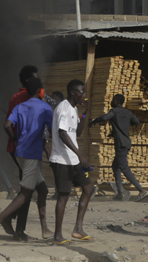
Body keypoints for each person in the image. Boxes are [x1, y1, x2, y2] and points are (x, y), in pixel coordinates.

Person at [0, 77, 52, 243]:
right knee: (26, 192)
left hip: (19, 152)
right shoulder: (45, 107)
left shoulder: (20, 106)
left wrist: (15, 139)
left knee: (42, 190)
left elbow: (7, 125)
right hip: (32, 154)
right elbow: (52, 130)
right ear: (39, 91)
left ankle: (44, 229)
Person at [1, 65, 45, 237]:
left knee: (29, 186)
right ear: (29, 80)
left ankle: (14, 224)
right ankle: (14, 225)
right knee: (28, 188)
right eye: (36, 77)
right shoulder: (29, 97)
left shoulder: (16, 96)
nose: (39, 80)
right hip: (26, 149)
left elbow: (8, 123)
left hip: (18, 147)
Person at [50, 79, 94, 245]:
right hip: (62, 159)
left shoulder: (74, 109)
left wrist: (85, 113)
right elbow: (62, 133)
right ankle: (58, 235)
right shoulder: (63, 107)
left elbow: (78, 132)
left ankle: (78, 229)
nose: (84, 95)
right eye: (81, 92)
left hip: (73, 159)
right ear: (73, 93)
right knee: (64, 196)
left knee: (89, 188)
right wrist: (81, 155)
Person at [90, 94, 147, 202]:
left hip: (120, 144)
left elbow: (104, 117)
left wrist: (94, 121)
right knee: (115, 166)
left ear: (117, 101)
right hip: (126, 142)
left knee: (124, 168)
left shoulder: (114, 111)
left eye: (113, 100)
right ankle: (120, 192)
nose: (112, 101)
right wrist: (124, 124)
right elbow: (137, 122)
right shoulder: (128, 113)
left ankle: (141, 189)